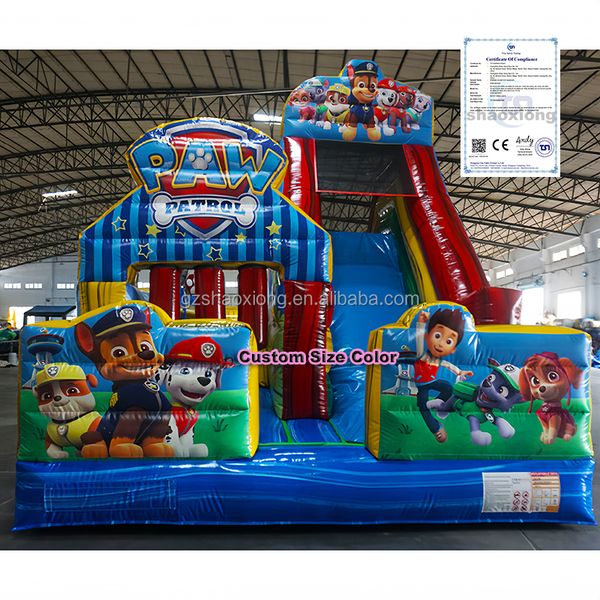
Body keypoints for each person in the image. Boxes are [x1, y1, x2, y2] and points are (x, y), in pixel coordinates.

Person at [414, 308, 472, 443]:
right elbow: (418, 340)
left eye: (448, 341)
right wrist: (421, 323)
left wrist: (459, 372)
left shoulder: (438, 360)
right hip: (422, 386)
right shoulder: (422, 355)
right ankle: (436, 429)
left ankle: (438, 404)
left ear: (453, 349)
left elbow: (448, 365)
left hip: (432, 381)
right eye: (437, 336)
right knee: (423, 409)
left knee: (448, 387)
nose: (440, 344)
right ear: (427, 336)